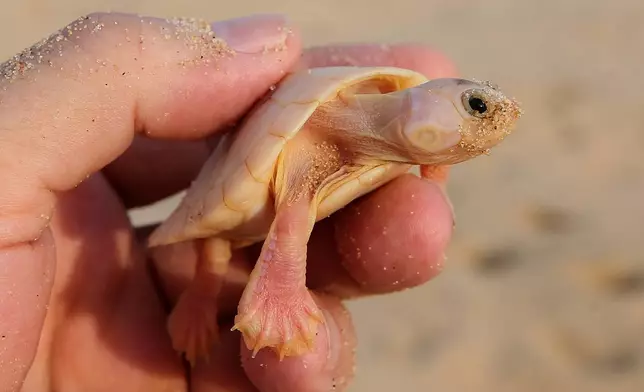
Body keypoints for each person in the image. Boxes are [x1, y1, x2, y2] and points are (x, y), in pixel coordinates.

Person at [0, 12, 457, 392]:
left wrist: (433, 164)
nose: (491, 120)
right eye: (476, 106)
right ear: (418, 101)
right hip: (247, 187)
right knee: (229, 242)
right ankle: (213, 297)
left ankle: (208, 298)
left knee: (400, 230)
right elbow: (292, 217)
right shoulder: (345, 110)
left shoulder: (395, 133)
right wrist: (280, 292)